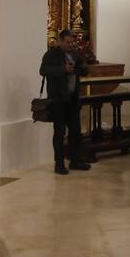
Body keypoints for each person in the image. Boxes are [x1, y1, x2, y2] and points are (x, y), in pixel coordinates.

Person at [39, 28, 90, 175]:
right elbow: (43, 70)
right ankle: (59, 164)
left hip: (72, 99)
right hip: (58, 99)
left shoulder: (74, 54)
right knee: (59, 133)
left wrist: (81, 67)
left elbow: (84, 70)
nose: (70, 45)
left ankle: (75, 160)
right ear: (60, 41)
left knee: (76, 132)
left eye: (72, 42)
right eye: (67, 42)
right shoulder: (51, 54)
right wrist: (63, 69)